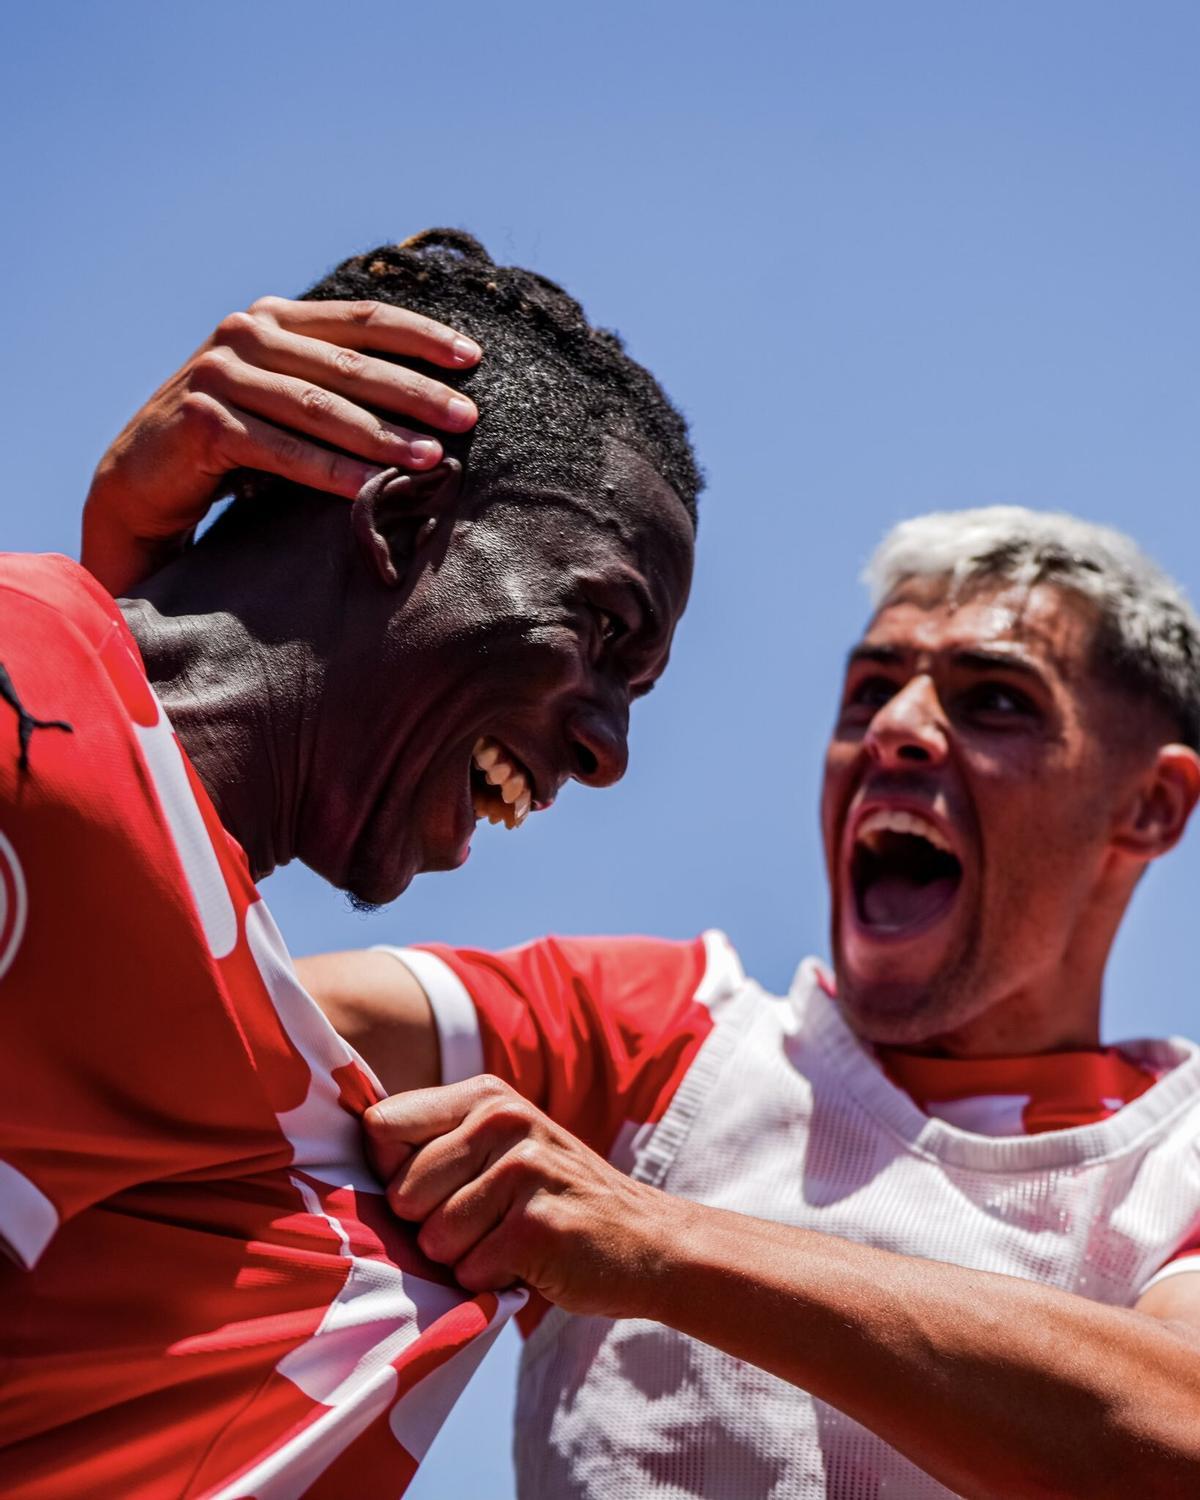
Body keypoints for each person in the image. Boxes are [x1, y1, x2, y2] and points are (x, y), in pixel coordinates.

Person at [303, 509, 1200, 1497]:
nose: (896, 731)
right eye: (870, 692)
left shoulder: (1180, 1152)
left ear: (1149, 807)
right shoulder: (661, 1030)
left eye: (994, 701)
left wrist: (657, 1244)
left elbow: (1175, 1438)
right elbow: (228, 1017)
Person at [0, 229, 698, 1498]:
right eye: (600, 628)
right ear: (401, 513)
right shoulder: (28, 696)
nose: (607, 751)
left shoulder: (296, 1134)